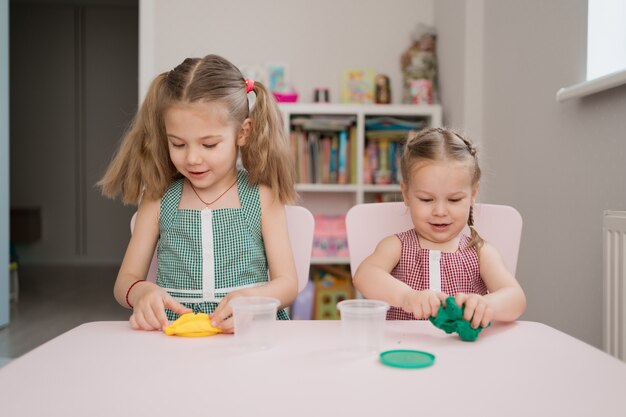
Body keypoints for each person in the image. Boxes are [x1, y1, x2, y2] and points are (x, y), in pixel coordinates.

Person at [98, 54, 298, 332]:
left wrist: (251, 301)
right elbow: (125, 282)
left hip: (248, 333)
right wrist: (141, 292)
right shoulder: (159, 197)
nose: (192, 158)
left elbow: (287, 283)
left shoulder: (262, 195)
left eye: (209, 144)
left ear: (243, 133)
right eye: (178, 144)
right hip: (176, 336)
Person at [353, 127, 526, 328]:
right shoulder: (397, 246)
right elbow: (364, 275)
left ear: (473, 193)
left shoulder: (480, 252)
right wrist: (406, 296)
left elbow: (516, 299)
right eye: (426, 199)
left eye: (454, 199)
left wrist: (487, 305)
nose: (440, 211)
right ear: (406, 194)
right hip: (405, 350)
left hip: (464, 352)